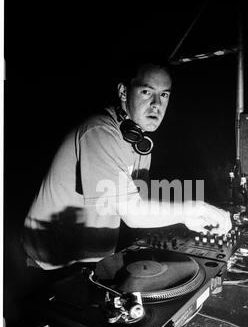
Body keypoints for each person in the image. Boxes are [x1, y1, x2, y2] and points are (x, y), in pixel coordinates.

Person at [22, 58, 232, 276]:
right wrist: (194, 208)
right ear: (123, 92)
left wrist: (187, 218)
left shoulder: (140, 143)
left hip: (92, 260)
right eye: (146, 92)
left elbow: (142, 202)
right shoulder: (99, 133)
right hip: (52, 265)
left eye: (164, 94)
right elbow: (133, 213)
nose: (157, 104)